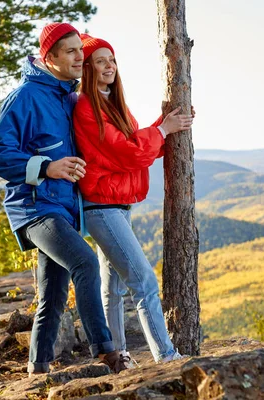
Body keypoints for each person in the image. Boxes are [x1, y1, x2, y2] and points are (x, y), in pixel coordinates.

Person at [0, 23, 129, 375]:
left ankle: (38, 366)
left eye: (80, 50)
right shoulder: (26, 96)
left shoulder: (69, 97)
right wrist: (46, 167)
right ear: (50, 58)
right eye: (70, 51)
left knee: (52, 292)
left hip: (64, 209)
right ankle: (107, 351)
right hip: (34, 208)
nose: (80, 57)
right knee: (85, 262)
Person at [73, 34, 194, 365]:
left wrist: (163, 126)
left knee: (114, 289)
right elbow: (127, 152)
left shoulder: (112, 104)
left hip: (117, 207)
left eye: (111, 60)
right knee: (143, 281)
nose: (109, 65)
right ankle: (167, 357)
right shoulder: (86, 107)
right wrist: (163, 130)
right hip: (102, 208)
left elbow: (136, 146)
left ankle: (120, 357)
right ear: (87, 68)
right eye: (100, 61)